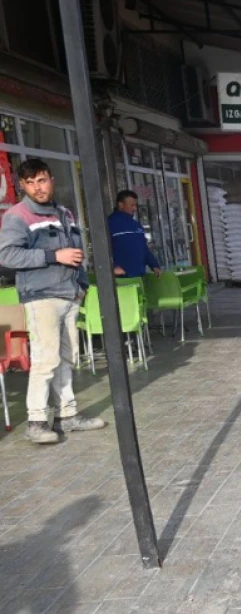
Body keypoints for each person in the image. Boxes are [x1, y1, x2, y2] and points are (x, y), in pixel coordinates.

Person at [0, 159, 105, 444]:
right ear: (22, 185)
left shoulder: (64, 213)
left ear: (52, 179)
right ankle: (36, 422)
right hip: (42, 298)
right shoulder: (17, 216)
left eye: (42, 180)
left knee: (67, 359)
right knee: (45, 360)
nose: (38, 187)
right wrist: (52, 256)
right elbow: (7, 256)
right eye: (30, 182)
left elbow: (77, 251)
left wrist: (82, 285)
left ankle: (67, 417)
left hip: (69, 295)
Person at [109, 190, 161, 278]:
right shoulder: (109, 223)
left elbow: (143, 248)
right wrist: (113, 267)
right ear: (121, 205)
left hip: (140, 276)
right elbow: (101, 250)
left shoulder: (136, 225)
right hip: (121, 278)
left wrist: (154, 265)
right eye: (132, 205)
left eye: (135, 205)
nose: (134, 209)